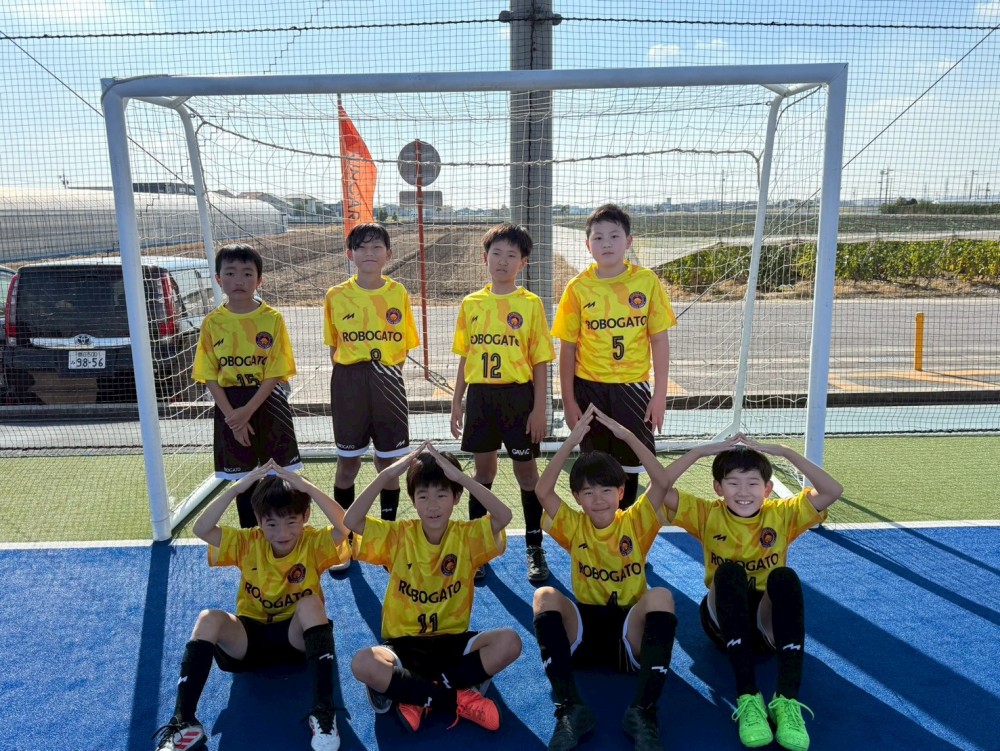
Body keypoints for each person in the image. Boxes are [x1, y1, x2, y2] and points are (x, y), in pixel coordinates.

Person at [651, 435, 843, 751]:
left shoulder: (782, 515)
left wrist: (785, 452)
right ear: (718, 487)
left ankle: (786, 700)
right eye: (733, 483)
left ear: (767, 489)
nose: (743, 492)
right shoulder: (707, 514)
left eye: (753, 483)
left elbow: (833, 491)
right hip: (722, 621)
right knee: (729, 573)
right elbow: (658, 489)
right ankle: (748, 697)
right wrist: (698, 452)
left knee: (784, 578)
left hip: (767, 625)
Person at [153, 460, 351, 751]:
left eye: (291, 521)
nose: (282, 532)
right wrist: (237, 488)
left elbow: (345, 526)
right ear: (259, 520)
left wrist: (307, 487)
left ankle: (323, 711)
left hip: (297, 640)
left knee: (310, 604)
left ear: (306, 516)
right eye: (271, 523)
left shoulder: (312, 543)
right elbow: (201, 528)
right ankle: (184, 721)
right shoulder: (248, 542)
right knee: (209, 618)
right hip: (248, 642)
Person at [347, 443, 522, 735]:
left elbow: (504, 516)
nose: (432, 505)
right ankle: (455, 696)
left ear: (456, 498)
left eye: (442, 495)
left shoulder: (467, 537)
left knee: (511, 642)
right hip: (404, 645)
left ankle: (413, 694)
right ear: (413, 500)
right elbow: (351, 521)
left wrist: (463, 478)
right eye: (423, 496)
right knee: (362, 663)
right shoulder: (399, 536)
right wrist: (387, 475)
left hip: (452, 643)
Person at [532, 404, 679, 751]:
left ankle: (642, 712)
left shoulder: (636, 521)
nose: (598, 499)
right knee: (544, 596)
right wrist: (571, 442)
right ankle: (571, 708)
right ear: (577, 498)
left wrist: (627, 436)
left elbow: (662, 482)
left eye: (606, 490)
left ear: (621, 492)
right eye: (588, 492)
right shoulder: (574, 525)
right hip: (584, 631)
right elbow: (542, 491)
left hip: (629, 630)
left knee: (661, 596)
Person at [551, 204, 677, 510]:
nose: (606, 243)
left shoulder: (646, 282)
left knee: (630, 467)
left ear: (628, 241)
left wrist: (659, 395)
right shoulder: (577, 288)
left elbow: (659, 340)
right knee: (595, 467)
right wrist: (568, 401)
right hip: (589, 388)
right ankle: (598, 529)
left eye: (614, 236)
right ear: (587, 245)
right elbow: (567, 349)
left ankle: (626, 528)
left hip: (632, 388)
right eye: (598, 237)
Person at [450, 223, 556, 583]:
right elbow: (465, 356)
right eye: (496, 253)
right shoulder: (471, 303)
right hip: (481, 398)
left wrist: (540, 409)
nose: (503, 260)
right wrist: (456, 401)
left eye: (512, 255)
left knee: (527, 474)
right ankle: (479, 548)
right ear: (485, 258)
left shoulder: (530, 304)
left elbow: (540, 361)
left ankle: (534, 545)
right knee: (483, 474)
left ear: (522, 263)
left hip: (518, 398)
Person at [323, 223, 419, 558]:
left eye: (377, 247)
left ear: (388, 254)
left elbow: (403, 347)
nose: (369, 253)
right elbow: (334, 347)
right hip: (349, 384)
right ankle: (345, 536)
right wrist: (353, 380)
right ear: (349, 254)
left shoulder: (398, 293)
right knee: (347, 464)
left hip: (388, 381)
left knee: (389, 463)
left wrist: (384, 375)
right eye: (361, 247)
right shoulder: (336, 295)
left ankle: (387, 534)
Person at [193, 243, 302, 528]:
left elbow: (275, 371)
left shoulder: (272, 319)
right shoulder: (212, 323)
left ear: (259, 280)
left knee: (277, 478)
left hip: (268, 402)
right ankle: (250, 539)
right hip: (229, 406)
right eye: (230, 273)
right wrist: (234, 417)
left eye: (247, 273)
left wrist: (247, 412)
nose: (239, 280)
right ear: (219, 279)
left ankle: (279, 537)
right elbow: (209, 375)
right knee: (243, 481)